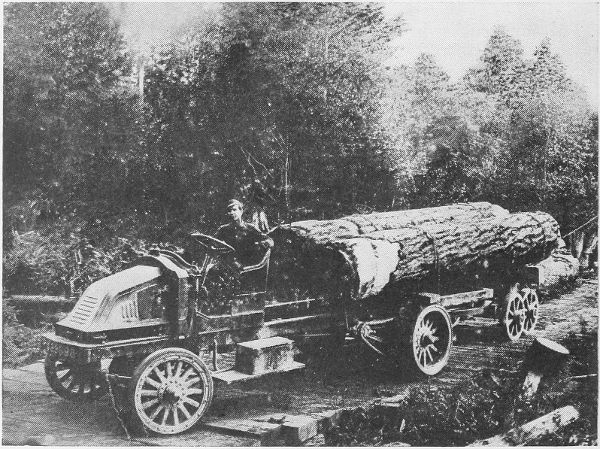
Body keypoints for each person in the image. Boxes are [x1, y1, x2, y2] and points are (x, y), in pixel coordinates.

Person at [215, 199, 274, 269]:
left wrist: (262, 244)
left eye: (234, 210)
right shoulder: (223, 229)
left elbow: (268, 240)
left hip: (246, 267)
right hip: (227, 265)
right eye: (229, 211)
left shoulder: (250, 228)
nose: (232, 213)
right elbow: (213, 243)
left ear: (241, 211)